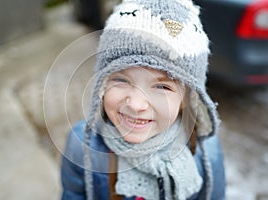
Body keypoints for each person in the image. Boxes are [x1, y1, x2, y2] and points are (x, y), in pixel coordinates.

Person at [61, 0, 226, 199]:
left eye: (162, 87)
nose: (136, 105)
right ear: (103, 83)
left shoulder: (206, 152)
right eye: (121, 80)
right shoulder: (82, 146)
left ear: (187, 98)